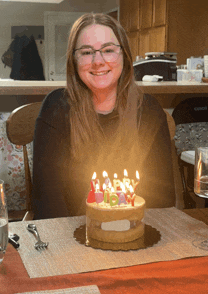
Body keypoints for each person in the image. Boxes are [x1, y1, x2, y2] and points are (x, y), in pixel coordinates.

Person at [32, 13, 175, 219]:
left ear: (124, 55)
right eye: (87, 52)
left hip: (137, 235)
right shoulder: (56, 108)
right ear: (74, 60)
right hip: (73, 237)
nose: (98, 61)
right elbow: (47, 204)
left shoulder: (149, 111)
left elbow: (162, 202)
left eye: (108, 50)